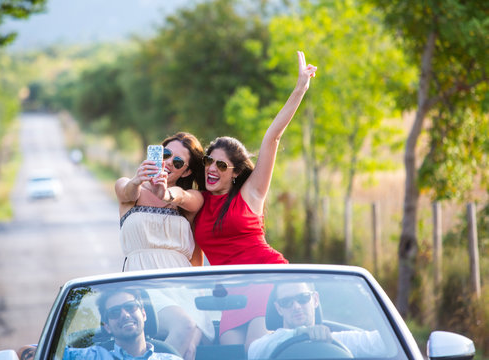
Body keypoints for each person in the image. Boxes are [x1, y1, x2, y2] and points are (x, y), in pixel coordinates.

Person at [182, 51, 316, 350]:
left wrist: (299, 89)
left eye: (221, 165)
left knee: (256, 344)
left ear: (235, 173)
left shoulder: (250, 193)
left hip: (269, 277)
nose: (212, 169)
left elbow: (272, 139)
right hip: (234, 295)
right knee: (230, 347)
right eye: (208, 161)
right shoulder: (199, 202)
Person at [114, 132, 212, 360]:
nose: (168, 163)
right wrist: (139, 179)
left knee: (189, 349)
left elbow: (183, 197)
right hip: (143, 281)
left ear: (186, 171)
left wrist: (167, 193)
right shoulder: (129, 189)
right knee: (185, 327)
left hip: (183, 285)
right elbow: (126, 190)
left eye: (177, 162)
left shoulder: (190, 197)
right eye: (165, 154)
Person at [247, 282, 386, 359]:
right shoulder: (269, 344)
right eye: (286, 302)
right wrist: (301, 333)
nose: (296, 306)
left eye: (303, 298)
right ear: (278, 309)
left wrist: (371, 300)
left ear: (315, 299)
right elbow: (253, 351)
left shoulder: (336, 339)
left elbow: (387, 343)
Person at [63, 288, 183, 360]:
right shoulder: (91, 357)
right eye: (114, 312)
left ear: (144, 314)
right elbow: (54, 352)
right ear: (107, 326)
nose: (125, 315)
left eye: (130, 307)